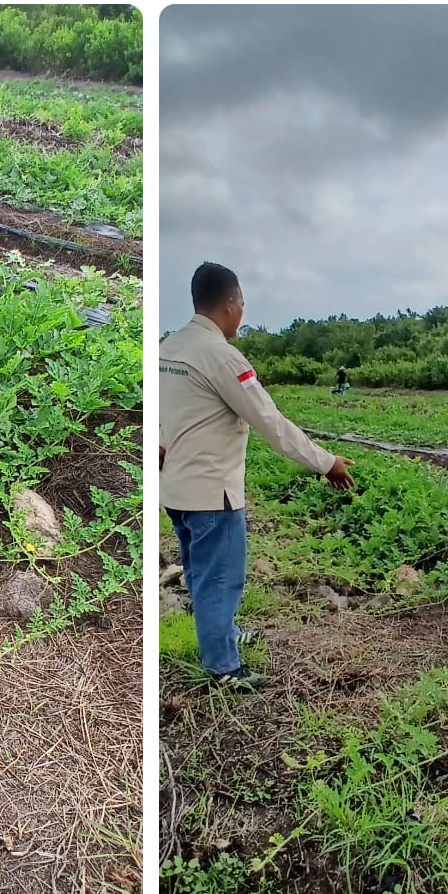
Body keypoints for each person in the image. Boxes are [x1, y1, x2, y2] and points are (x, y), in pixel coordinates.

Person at [159, 262, 355, 690]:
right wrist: (326, 462)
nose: (242, 313)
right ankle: (225, 668)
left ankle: (224, 636)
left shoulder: (169, 346)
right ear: (230, 304)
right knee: (220, 580)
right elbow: (272, 423)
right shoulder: (222, 357)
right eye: (242, 304)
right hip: (214, 494)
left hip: (176, 489)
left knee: (198, 574)